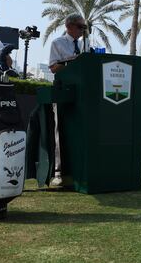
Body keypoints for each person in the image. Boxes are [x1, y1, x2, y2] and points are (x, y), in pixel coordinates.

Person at [47, 13, 92, 186]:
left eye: (84, 28)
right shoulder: (57, 43)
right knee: (60, 130)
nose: (83, 30)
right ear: (69, 26)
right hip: (63, 90)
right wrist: (72, 62)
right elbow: (53, 67)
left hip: (82, 92)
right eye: (81, 27)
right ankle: (59, 172)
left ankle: (79, 169)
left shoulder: (84, 45)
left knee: (79, 130)